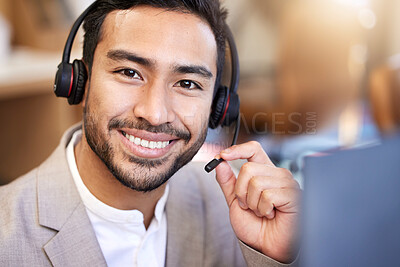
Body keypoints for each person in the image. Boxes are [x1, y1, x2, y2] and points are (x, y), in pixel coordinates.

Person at [0, 0, 300, 266]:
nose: (155, 114)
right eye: (129, 72)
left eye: (187, 84)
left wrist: (277, 257)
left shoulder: (239, 210)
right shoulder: (7, 236)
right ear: (80, 81)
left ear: (217, 108)